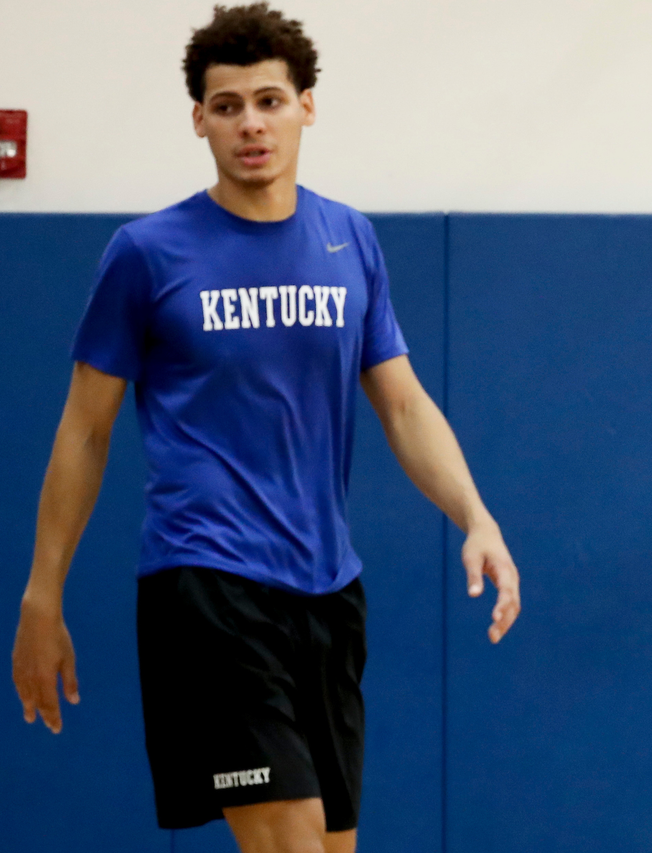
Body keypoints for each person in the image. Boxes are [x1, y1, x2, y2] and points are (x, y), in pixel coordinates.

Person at [10, 5, 521, 852]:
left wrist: (477, 515)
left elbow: (401, 402)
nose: (250, 122)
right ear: (200, 120)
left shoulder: (347, 239)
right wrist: (42, 591)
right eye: (228, 105)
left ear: (306, 107)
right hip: (207, 584)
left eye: (270, 101)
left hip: (328, 590)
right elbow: (85, 430)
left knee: (329, 844)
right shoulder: (147, 254)